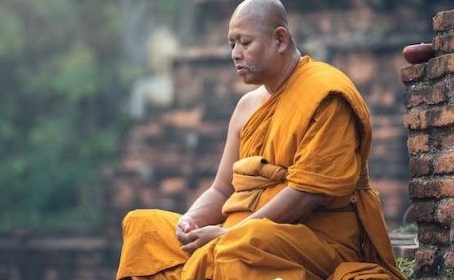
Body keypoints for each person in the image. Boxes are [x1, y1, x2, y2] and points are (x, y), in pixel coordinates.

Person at [116, 0, 405, 279]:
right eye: (232, 44)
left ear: (280, 40)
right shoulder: (246, 106)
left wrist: (230, 234)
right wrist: (189, 222)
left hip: (312, 239)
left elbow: (306, 194)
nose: (235, 54)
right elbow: (221, 189)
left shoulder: (325, 95)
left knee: (241, 246)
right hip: (239, 231)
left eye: (245, 42)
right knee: (143, 227)